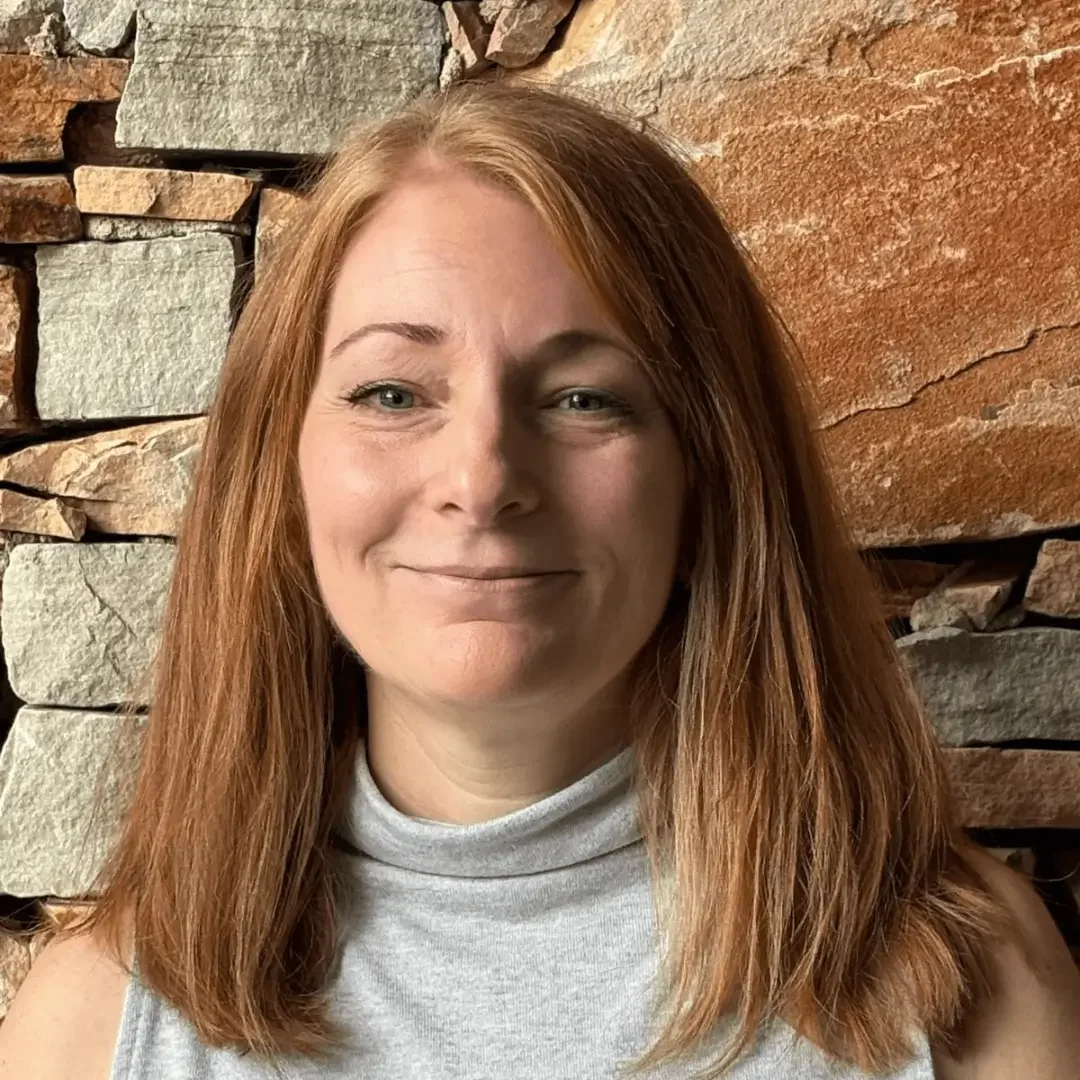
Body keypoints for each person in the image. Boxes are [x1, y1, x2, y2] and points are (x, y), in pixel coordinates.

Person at [2, 78, 1079, 1080]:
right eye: (390, 394)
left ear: (710, 475)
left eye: (582, 399)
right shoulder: (95, 1027)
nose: (482, 481)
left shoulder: (967, 996)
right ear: (279, 477)